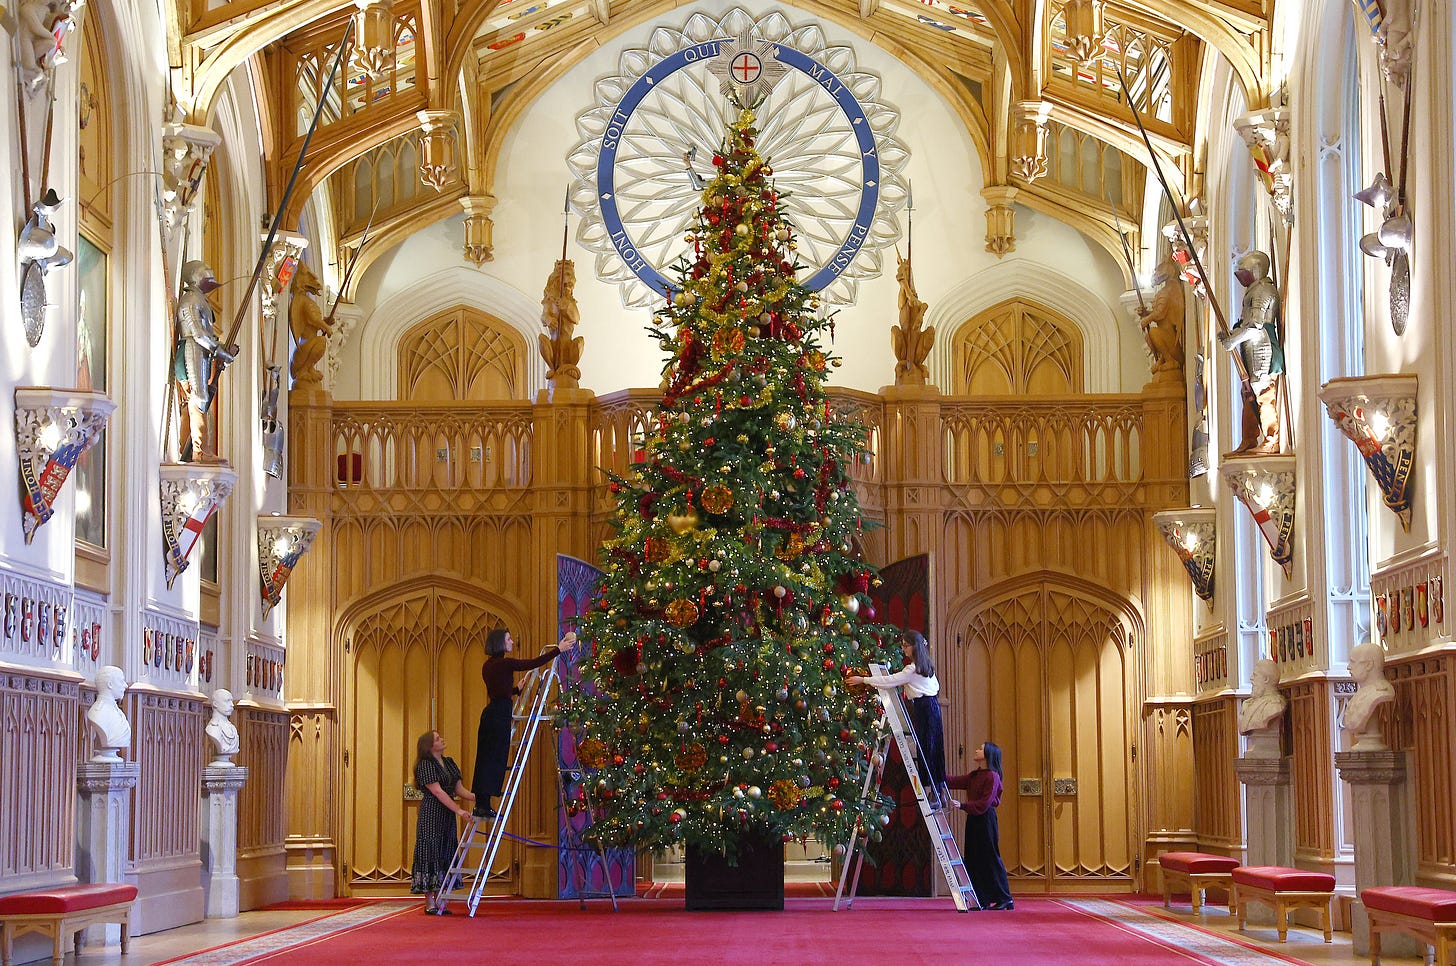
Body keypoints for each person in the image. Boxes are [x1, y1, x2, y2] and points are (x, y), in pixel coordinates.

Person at [470, 628, 576, 819]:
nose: (511, 642)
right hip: (499, 714)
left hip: (491, 713)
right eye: (508, 639)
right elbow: (533, 663)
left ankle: (481, 804)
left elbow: (498, 691)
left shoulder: (488, 665)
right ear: (500, 643)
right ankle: (483, 805)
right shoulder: (505, 663)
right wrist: (558, 650)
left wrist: (516, 690)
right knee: (496, 759)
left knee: (485, 759)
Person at [847, 629, 947, 806]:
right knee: (933, 748)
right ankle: (939, 792)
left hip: (925, 709)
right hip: (932, 707)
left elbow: (890, 681)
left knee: (926, 749)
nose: (903, 649)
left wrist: (863, 680)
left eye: (905, 645)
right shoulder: (926, 667)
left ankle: (935, 795)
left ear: (914, 647)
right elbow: (935, 687)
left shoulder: (912, 669)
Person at [412, 730, 475, 915]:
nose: (442, 739)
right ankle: (430, 901)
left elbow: (458, 789)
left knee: (445, 849)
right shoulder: (425, 765)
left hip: (446, 814)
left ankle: (441, 898)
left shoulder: (449, 762)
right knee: (430, 851)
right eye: (437, 739)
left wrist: (477, 797)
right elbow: (438, 792)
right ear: (429, 746)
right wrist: (459, 810)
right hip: (431, 813)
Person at [947, 741, 1014, 910]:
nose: (976, 750)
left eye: (980, 749)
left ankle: (1005, 898)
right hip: (974, 819)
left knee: (990, 858)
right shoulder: (975, 775)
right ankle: (981, 898)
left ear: (988, 755)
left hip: (986, 820)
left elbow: (984, 804)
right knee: (973, 858)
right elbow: (954, 781)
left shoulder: (992, 776)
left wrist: (962, 805)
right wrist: (935, 772)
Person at [1342, 641, 1396, 737]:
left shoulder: (1381, 692)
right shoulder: (1359, 694)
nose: (1348, 667)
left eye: (1353, 662)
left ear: (1369, 665)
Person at [86, 665, 131, 761]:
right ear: (110, 684)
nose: (125, 685)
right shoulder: (97, 713)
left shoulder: (118, 712)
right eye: (121, 681)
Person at [1237, 658, 1286, 734]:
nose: (1251, 678)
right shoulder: (1248, 704)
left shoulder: (1275, 705)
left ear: (1266, 679)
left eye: (1255, 675)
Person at [205, 688, 241, 765]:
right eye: (227, 701)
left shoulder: (233, 729)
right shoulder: (212, 729)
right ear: (215, 704)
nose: (232, 705)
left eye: (231, 701)